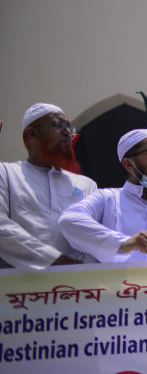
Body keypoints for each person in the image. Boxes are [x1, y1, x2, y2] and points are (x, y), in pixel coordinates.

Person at [59, 129, 147, 262]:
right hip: (120, 282)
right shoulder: (107, 199)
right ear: (129, 164)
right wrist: (123, 243)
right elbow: (69, 221)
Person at [0, 103, 96, 269]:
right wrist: (54, 260)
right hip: (17, 288)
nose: (67, 132)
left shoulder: (85, 184)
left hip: (78, 285)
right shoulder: (6, 173)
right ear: (32, 134)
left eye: (69, 127)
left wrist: (83, 269)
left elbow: (93, 235)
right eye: (59, 125)